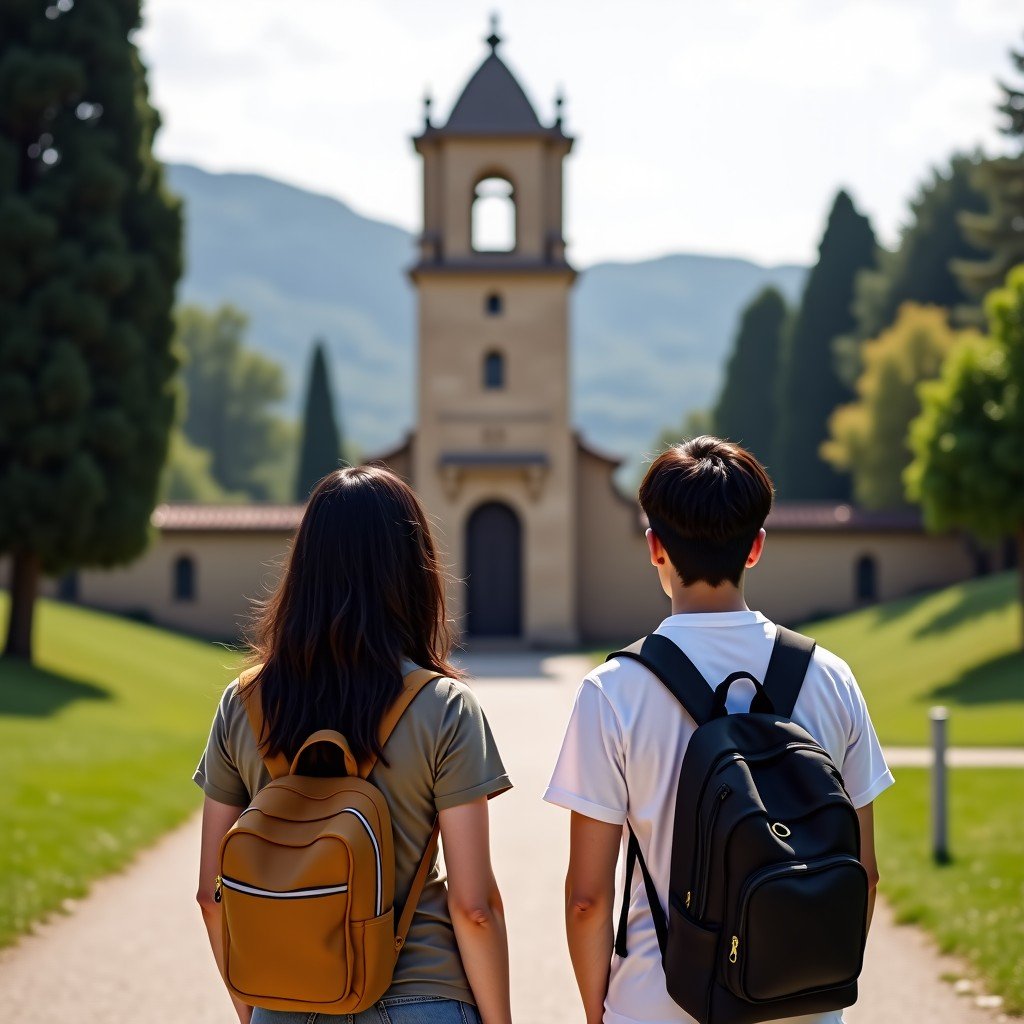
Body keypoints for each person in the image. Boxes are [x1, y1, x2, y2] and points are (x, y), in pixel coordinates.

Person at [544, 436, 894, 1024]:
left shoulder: (614, 692)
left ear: (654, 547)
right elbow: (866, 873)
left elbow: (587, 898)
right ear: (755, 547)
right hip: (801, 1008)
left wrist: (597, 1012)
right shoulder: (831, 678)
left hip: (659, 1004)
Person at [194, 465, 513, 1024]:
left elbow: (210, 895)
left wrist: (258, 1012)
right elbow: (474, 907)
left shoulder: (241, 704)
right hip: (422, 994)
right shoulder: (443, 708)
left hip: (284, 998)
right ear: (413, 572)